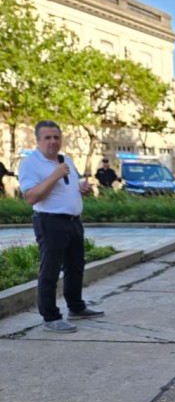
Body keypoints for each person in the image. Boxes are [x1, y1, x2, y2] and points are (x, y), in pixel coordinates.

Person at [17, 120, 103, 333]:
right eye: (47, 137)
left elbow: (67, 187)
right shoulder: (30, 164)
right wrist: (54, 175)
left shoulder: (66, 160)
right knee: (50, 269)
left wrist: (81, 188)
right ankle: (50, 317)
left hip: (73, 221)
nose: (53, 141)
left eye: (56, 137)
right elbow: (31, 197)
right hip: (50, 222)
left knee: (75, 266)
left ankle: (76, 306)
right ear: (38, 140)